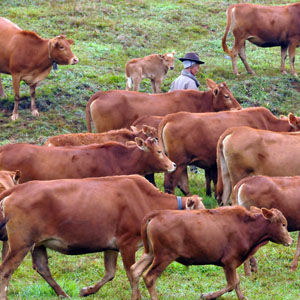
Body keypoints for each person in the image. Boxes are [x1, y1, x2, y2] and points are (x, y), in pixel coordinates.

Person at [170, 52, 205, 174]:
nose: (197, 70)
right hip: (188, 119)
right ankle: (193, 167)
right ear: (191, 67)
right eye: (196, 67)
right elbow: (195, 104)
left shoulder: (176, 81)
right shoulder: (190, 83)